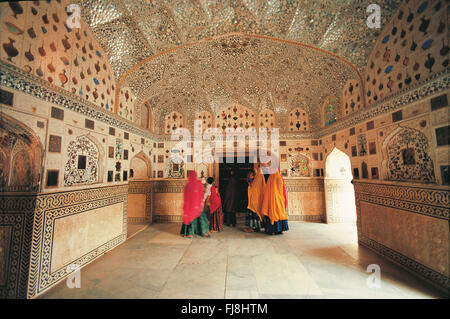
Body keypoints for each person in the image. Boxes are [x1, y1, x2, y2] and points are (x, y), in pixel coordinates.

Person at [180, 171, 210, 238]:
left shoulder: (188, 186)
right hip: (198, 206)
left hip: (191, 207)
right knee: (201, 219)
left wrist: (185, 207)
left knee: (190, 218)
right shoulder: (198, 184)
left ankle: (189, 233)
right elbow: (202, 193)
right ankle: (204, 232)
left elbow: (186, 197)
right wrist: (201, 203)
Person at [260, 165, 289, 235]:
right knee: (279, 212)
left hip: (274, 198)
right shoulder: (278, 176)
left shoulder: (273, 176)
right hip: (278, 199)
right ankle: (279, 229)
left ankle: (272, 230)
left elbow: (271, 188)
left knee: (273, 212)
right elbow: (282, 187)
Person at [245, 165, 264, 232]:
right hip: (253, 201)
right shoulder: (254, 181)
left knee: (254, 215)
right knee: (254, 214)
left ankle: (252, 228)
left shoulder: (257, 180)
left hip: (254, 201)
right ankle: (255, 228)